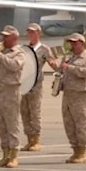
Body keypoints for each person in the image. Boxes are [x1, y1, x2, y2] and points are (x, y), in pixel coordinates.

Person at [48, 33, 86, 163]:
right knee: (69, 124)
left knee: (80, 124)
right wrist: (55, 67)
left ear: (82, 43)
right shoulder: (68, 58)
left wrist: (70, 67)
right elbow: (61, 71)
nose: (73, 45)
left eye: (75, 43)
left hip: (80, 95)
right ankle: (75, 150)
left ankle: (82, 151)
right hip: (68, 94)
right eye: (71, 43)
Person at [0, 25, 26, 168]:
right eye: (3, 36)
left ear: (14, 38)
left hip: (11, 92)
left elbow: (14, 66)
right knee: (1, 125)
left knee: (12, 124)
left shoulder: (19, 53)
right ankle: (5, 154)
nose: (3, 39)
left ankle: (14, 156)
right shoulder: (1, 52)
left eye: (6, 36)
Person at [20, 22, 54, 152]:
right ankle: (29, 139)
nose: (31, 34)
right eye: (29, 32)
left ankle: (36, 140)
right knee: (25, 112)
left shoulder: (44, 49)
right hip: (24, 85)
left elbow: (53, 63)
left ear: (39, 33)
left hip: (36, 85)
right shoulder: (24, 49)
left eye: (33, 32)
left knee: (34, 112)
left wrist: (53, 63)